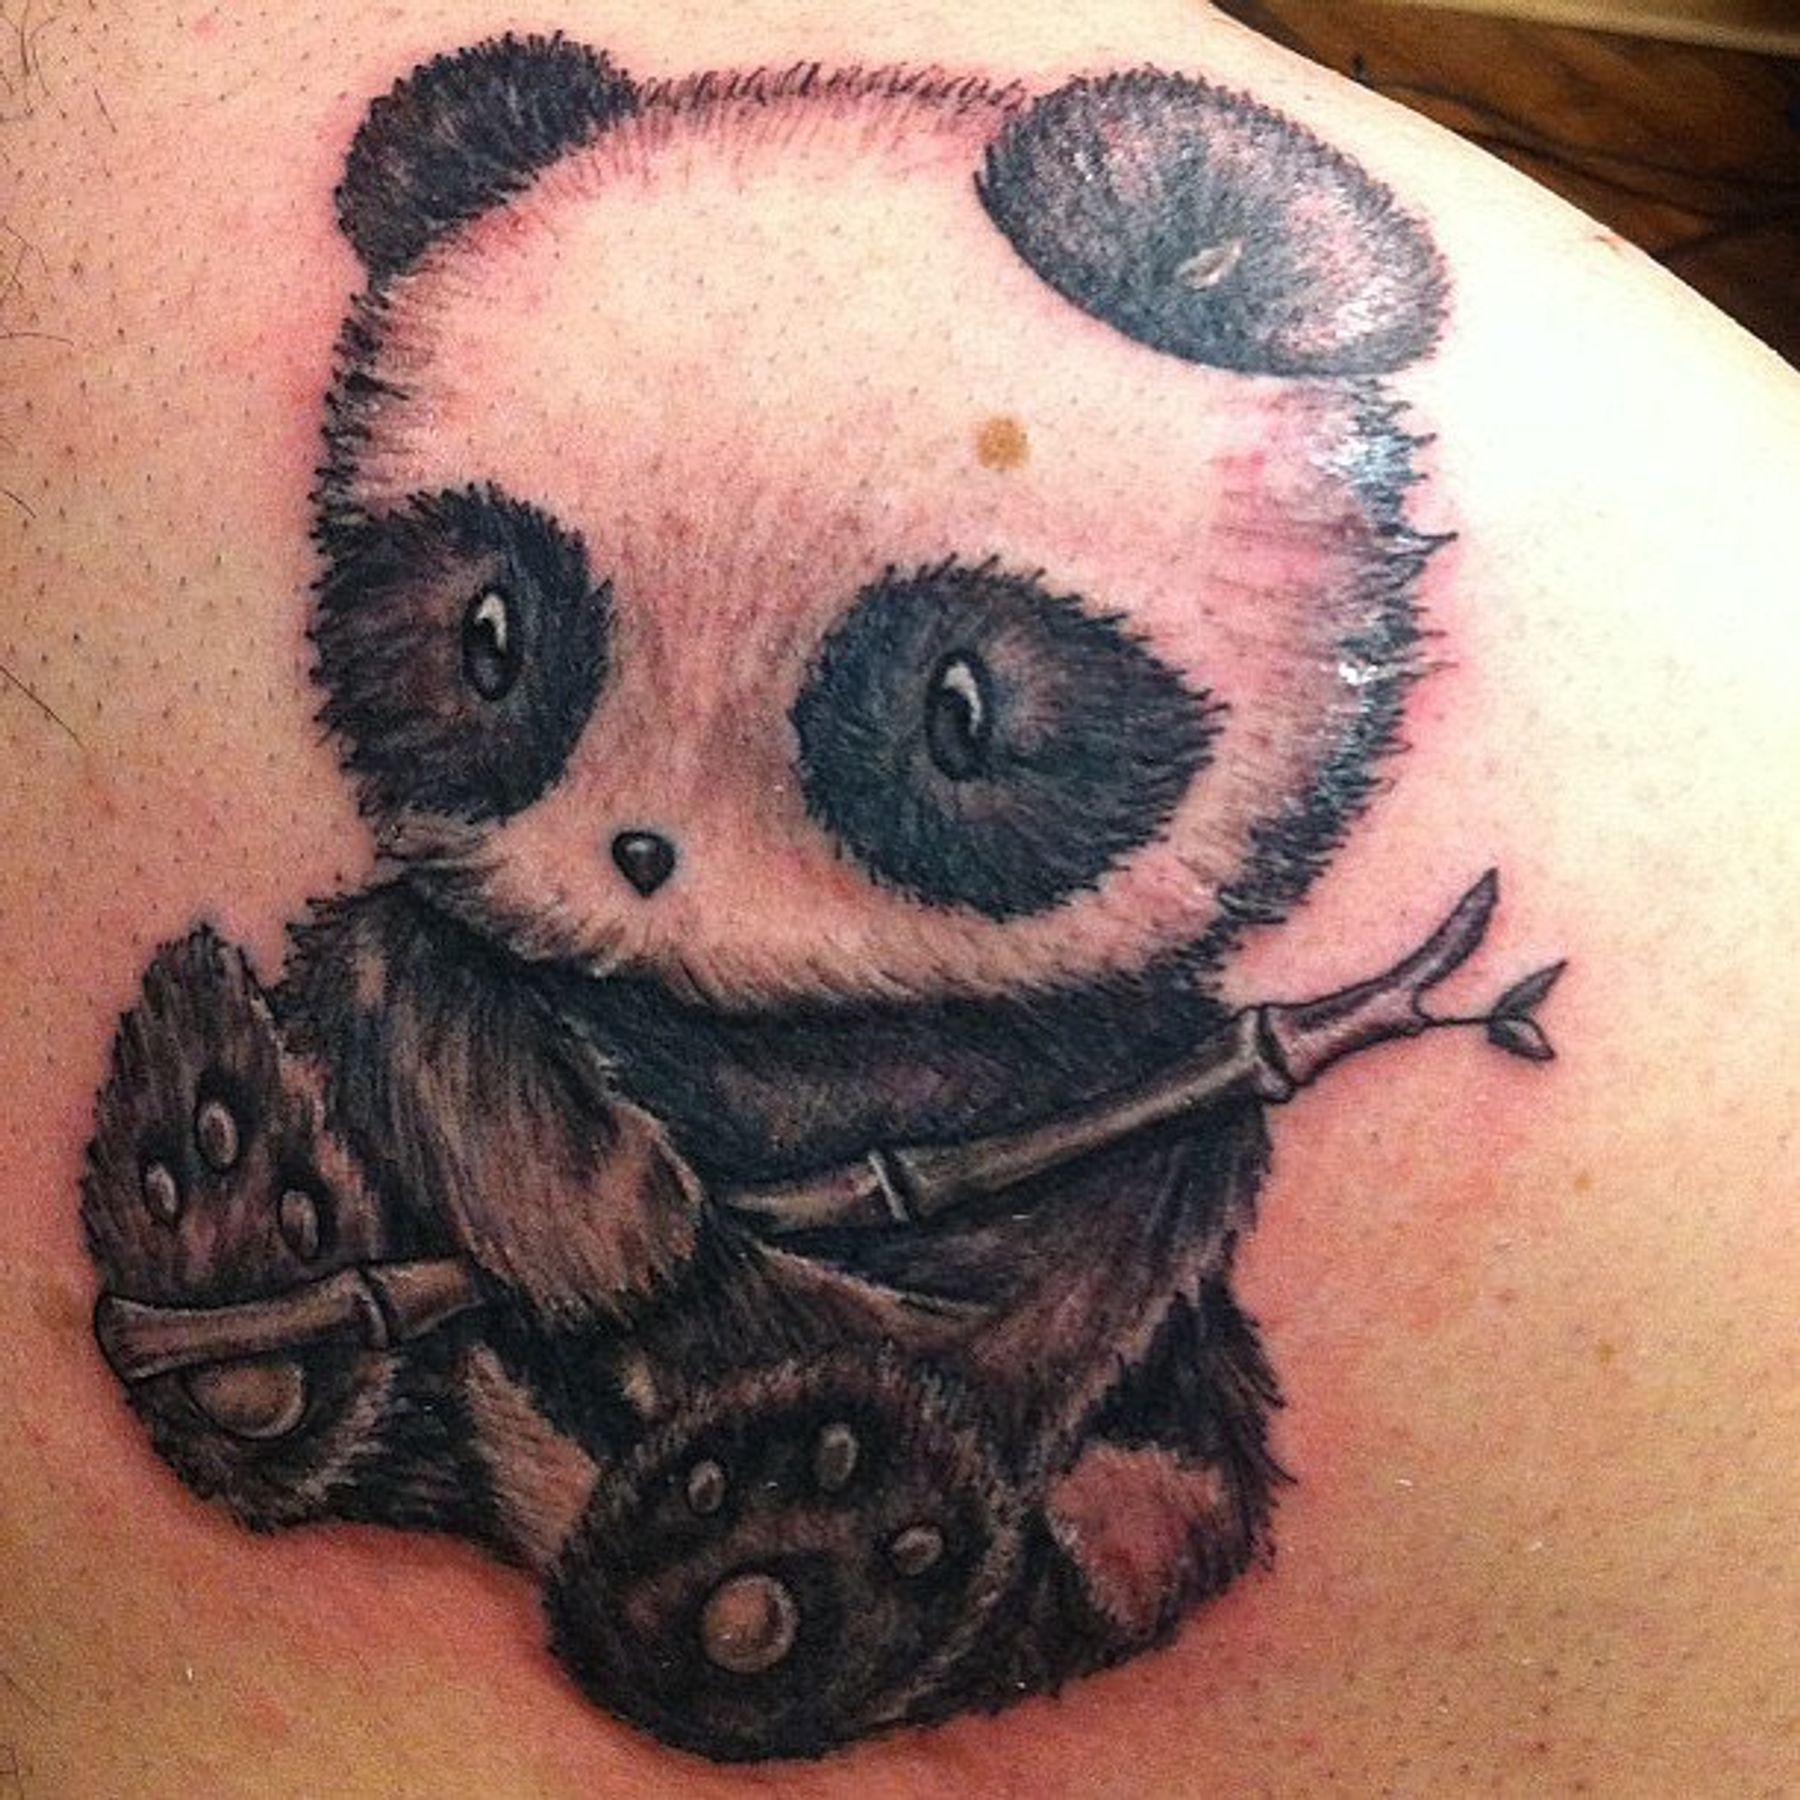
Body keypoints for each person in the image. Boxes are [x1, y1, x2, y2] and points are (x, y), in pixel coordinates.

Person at [2, 2, 1795, 1792]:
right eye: (498, 646)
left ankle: (846, 1543)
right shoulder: (1730, 710)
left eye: (946, 718)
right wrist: (642, 1278)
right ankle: (417, 1406)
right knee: (406, 990)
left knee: (1153, 1296)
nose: (650, 834)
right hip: (535, 1247)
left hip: (924, 1350)